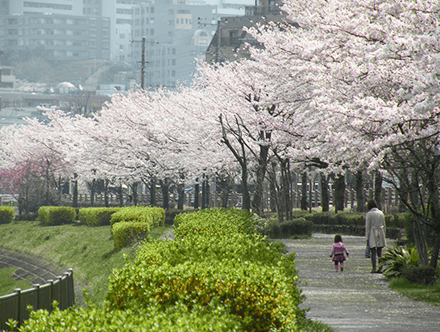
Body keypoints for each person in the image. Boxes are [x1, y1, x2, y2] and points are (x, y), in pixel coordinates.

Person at [366, 199, 386, 273]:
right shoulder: (381, 213)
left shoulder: (369, 214)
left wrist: (367, 237)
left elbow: (368, 227)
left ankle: (374, 268)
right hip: (380, 232)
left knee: (373, 252)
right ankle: (381, 267)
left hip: (372, 233)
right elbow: (384, 224)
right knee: (379, 252)